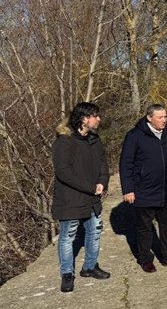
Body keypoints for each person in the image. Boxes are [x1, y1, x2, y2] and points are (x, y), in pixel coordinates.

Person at [52, 102, 110, 293]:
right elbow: (63, 172)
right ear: (85, 119)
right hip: (71, 199)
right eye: (96, 115)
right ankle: (67, 274)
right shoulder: (64, 141)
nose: (99, 119)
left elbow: (103, 162)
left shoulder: (94, 139)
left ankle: (90, 267)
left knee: (94, 232)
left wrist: (102, 182)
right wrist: (91, 187)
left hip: (92, 197)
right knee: (68, 237)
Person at [120, 104, 167, 273]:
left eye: (165, 117)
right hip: (144, 189)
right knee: (144, 227)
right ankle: (145, 258)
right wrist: (128, 189)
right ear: (149, 118)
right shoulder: (135, 135)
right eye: (160, 117)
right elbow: (126, 163)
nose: (164, 120)